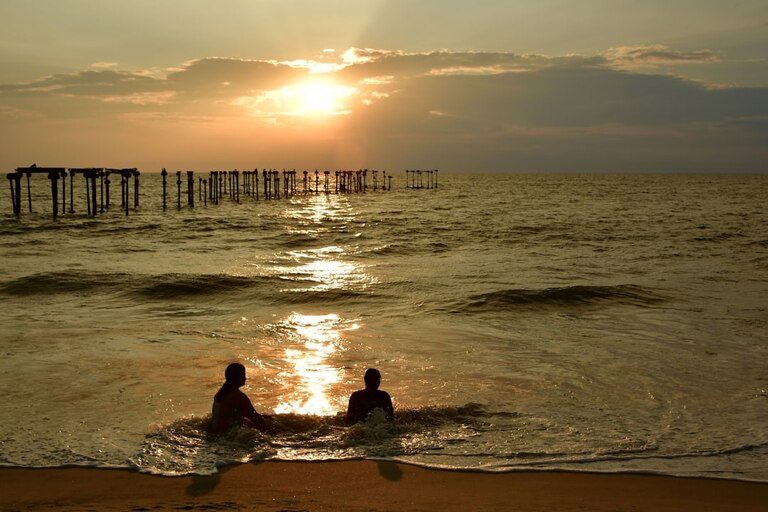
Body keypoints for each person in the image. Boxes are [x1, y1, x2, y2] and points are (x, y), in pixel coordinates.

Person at [210, 362, 269, 434]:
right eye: (243, 374)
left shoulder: (220, 393)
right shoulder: (238, 396)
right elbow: (255, 418)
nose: (245, 378)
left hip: (215, 433)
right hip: (226, 436)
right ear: (237, 377)